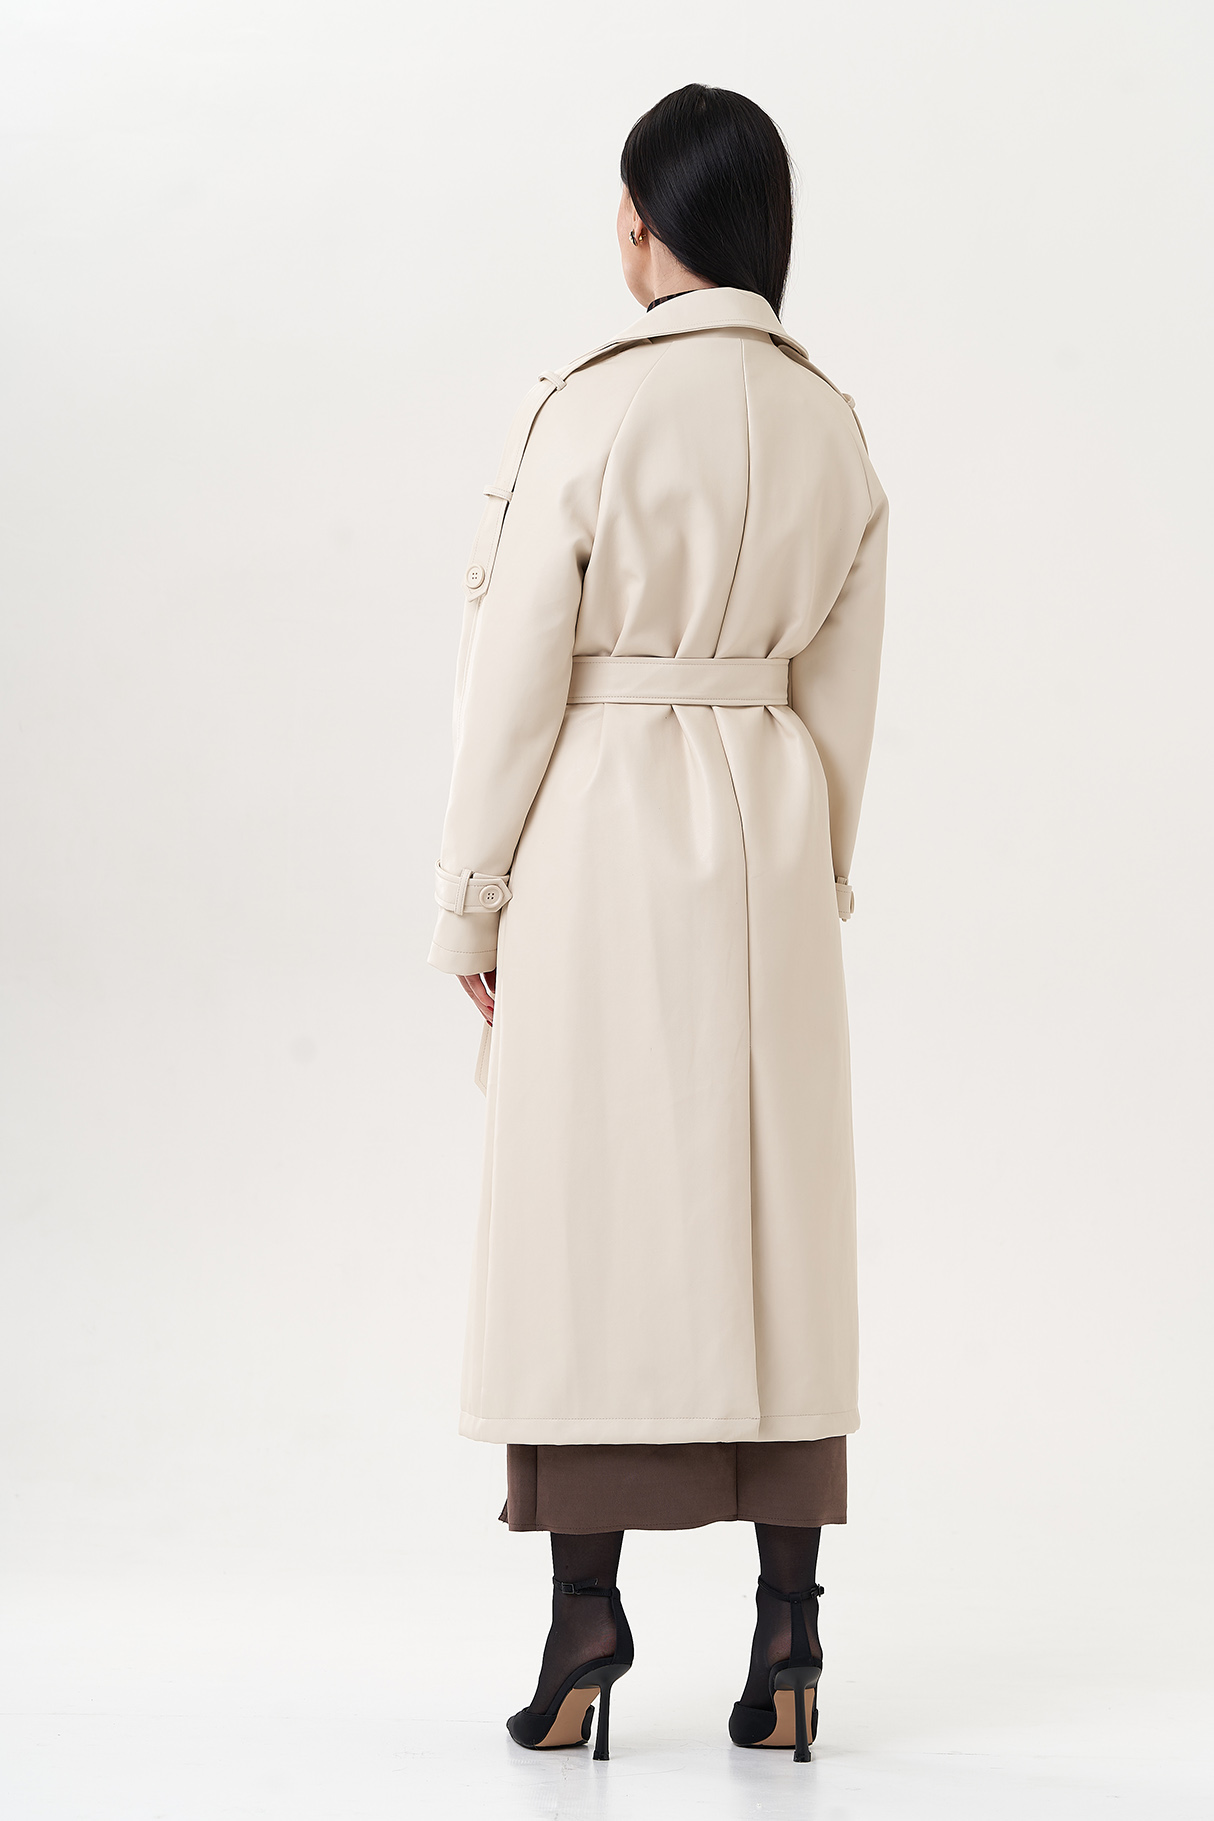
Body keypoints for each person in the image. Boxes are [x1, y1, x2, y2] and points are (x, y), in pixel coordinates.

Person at [429, 82, 887, 1764]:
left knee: (589, 1215)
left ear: (640, 223)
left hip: (601, 827)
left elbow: (513, 677)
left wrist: (474, 898)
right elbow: (844, 692)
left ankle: (583, 1628)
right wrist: (809, 865)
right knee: (776, 1226)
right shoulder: (828, 423)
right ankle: (789, 1640)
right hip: (768, 820)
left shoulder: (590, 406)